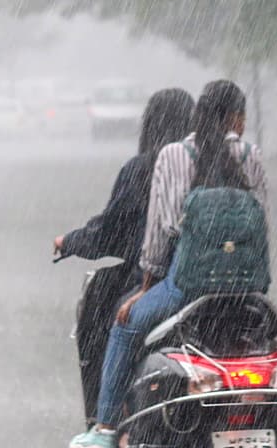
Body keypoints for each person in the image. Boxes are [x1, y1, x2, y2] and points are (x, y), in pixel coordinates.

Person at [69, 80, 269, 448]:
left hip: (186, 283)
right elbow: (261, 222)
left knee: (124, 328)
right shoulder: (250, 154)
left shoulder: (174, 155)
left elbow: (160, 232)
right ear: (236, 119)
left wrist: (145, 288)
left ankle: (106, 427)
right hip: (245, 287)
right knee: (265, 342)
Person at [54, 88, 195, 426]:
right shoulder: (210, 166)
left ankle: (107, 421)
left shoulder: (144, 168)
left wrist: (70, 242)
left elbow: (112, 234)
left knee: (110, 319)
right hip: (211, 280)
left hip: (159, 280)